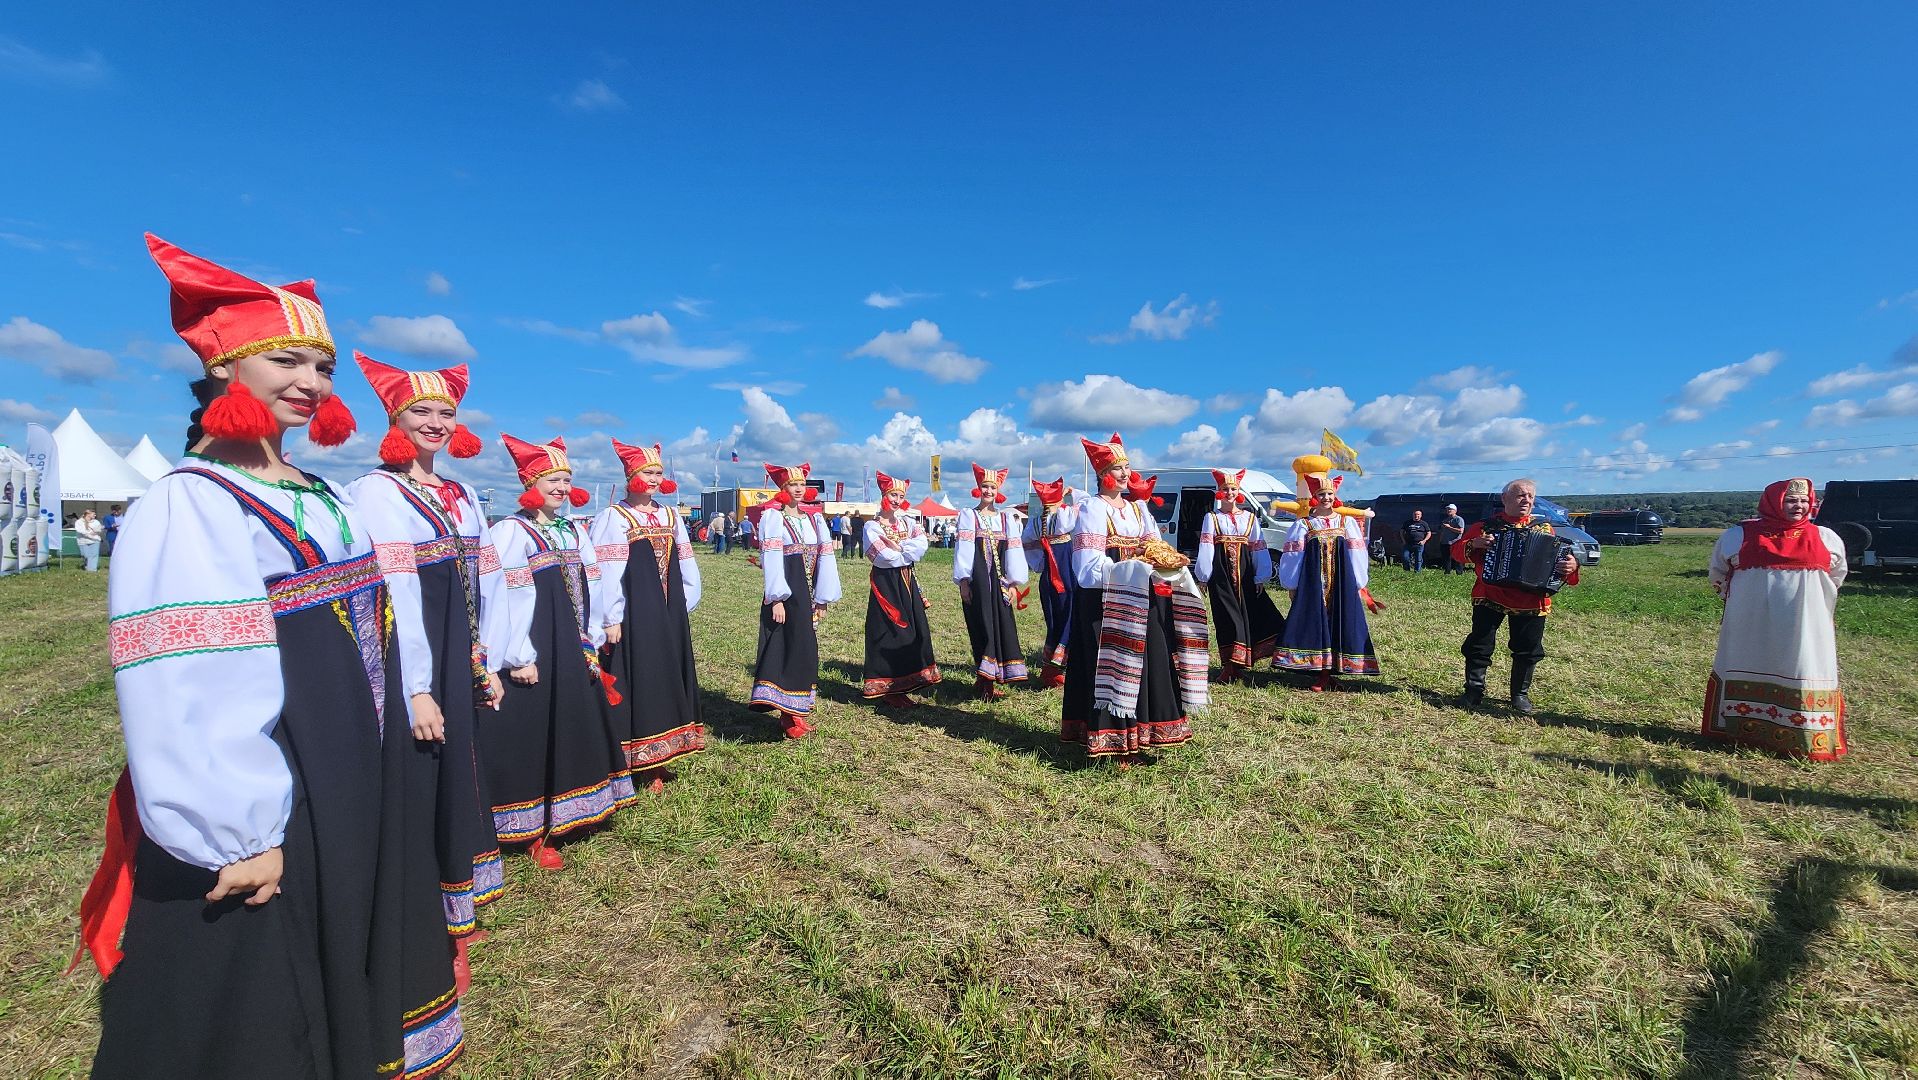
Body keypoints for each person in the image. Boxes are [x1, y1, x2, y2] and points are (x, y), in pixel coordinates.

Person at [82, 234, 460, 1077]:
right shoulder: (194, 504)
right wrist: (237, 828)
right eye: (285, 360)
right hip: (282, 779)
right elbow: (189, 680)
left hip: (352, 763)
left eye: (321, 367)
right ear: (226, 366)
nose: (310, 383)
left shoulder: (319, 492)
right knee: (260, 988)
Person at [345, 351, 504, 1002]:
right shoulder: (378, 494)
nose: (436, 422)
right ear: (394, 418)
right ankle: (428, 920)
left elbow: (485, 582)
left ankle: (457, 904)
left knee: (460, 771)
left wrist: (486, 659)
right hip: (413, 656)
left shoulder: (461, 495)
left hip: (455, 650)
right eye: (422, 411)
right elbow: (396, 597)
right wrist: (415, 686)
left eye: (446, 412)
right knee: (420, 779)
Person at [482, 434, 633, 871]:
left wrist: (595, 632)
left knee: (570, 720)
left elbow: (594, 583)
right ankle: (532, 829)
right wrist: (517, 655)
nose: (563, 488)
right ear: (531, 481)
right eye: (553, 480)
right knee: (535, 733)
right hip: (535, 646)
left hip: (569, 643)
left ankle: (574, 809)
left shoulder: (571, 530)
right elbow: (507, 597)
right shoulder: (512, 532)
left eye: (567, 479)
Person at [1061, 435, 1207, 767]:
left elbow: (1157, 548)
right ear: (1103, 474)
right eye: (1118, 468)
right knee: (1111, 668)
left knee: (1145, 665)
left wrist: (1167, 561)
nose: (1126, 474)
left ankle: (1140, 737)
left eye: (1127, 467)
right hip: (1105, 604)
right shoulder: (1092, 509)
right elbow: (1086, 569)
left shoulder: (1139, 509)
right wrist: (1131, 567)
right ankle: (1112, 742)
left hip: (1143, 598)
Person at [590, 439, 706, 793]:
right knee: (640, 675)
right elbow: (606, 571)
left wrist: (685, 599)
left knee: (667, 671)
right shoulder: (615, 517)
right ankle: (636, 757)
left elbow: (684, 559)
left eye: (658, 472)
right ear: (631, 475)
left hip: (667, 609)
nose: (654, 478)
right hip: (634, 612)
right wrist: (611, 616)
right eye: (647, 472)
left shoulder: (670, 515)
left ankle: (665, 749)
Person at [1703, 478, 1849, 760]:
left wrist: (1815, 603)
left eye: (1805, 501)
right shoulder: (1738, 536)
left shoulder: (1825, 538)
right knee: (1746, 660)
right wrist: (1740, 604)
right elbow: (1718, 573)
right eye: (1791, 500)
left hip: (1805, 623)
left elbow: (1836, 575)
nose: (1799, 506)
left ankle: (1805, 737)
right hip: (1750, 621)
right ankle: (1739, 731)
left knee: (1804, 665)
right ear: (1773, 502)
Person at [1452, 477, 1580, 714]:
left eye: (1531, 496)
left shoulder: (1545, 528)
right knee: (1479, 644)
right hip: (1490, 594)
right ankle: (1473, 691)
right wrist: (1476, 544)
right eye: (1521, 495)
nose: (1527, 500)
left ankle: (1519, 695)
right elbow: (1458, 552)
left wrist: (1571, 565)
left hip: (1532, 599)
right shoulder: (1485, 526)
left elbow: (1561, 561)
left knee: (1528, 648)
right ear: (1505, 499)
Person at [1273, 455, 1381, 691]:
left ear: (1335, 496)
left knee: (1338, 621)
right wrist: (1292, 584)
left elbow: (1357, 551)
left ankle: (1334, 670)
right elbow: (1294, 555)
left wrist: (1359, 581)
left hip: (1341, 582)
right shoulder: (1305, 524)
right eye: (1322, 494)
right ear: (1315, 497)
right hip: (1313, 583)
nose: (1326, 498)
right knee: (1316, 622)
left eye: (1330, 494)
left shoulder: (1346, 522)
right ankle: (1320, 672)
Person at [749, 462, 842, 738]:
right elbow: (772, 559)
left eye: (803, 484)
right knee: (786, 645)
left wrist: (823, 598)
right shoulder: (773, 518)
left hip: (809, 593)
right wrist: (776, 598)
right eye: (793, 484)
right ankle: (786, 714)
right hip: (788, 593)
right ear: (783, 488)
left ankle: (797, 711)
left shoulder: (814, 520)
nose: (799, 489)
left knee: (806, 648)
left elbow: (826, 558)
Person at [1195, 469, 1284, 682]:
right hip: (1221, 574)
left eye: (1233, 489)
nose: (1229, 493)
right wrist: (1203, 576)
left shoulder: (1250, 518)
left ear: (1239, 491)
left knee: (1247, 615)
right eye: (1225, 489)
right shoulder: (1212, 518)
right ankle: (1229, 664)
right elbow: (1206, 547)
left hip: (1245, 573)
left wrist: (1260, 576)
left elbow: (1258, 548)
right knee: (1226, 616)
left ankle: (1240, 663)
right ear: (1219, 492)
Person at [860, 471, 939, 706]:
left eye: (900, 495)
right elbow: (882, 556)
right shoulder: (872, 526)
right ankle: (889, 686)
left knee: (914, 628)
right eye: (892, 494)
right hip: (886, 584)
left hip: (907, 580)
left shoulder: (908, 522)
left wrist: (899, 546)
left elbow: (921, 546)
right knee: (889, 629)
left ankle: (908, 680)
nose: (896, 499)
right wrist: (904, 551)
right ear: (884, 494)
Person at [954, 464, 1029, 698]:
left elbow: (1014, 553)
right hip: (978, 580)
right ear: (978, 488)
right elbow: (963, 550)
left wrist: (1015, 584)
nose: (988, 491)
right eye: (985, 486)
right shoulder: (969, 516)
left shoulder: (1007, 520)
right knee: (981, 623)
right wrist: (964, 581)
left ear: (998, 491)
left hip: (1000, 583)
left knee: (1001, 625)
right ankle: (984, 679)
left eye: (992, 487)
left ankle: (993, 677)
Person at [1022, 478, 1077, 688]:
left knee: (1053, 619)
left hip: (1048, 577)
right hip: (1067, 574)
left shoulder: (1036, 523)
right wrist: (1069, 494)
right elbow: (1086, 506)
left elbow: (1025, 544)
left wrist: (1038, 563)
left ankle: (1051, 669)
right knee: (1069, 616)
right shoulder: (1065, 516)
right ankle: (1060, 665)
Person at [1438, 503, 1466, 574]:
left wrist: (1449, 527)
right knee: (1446, 559)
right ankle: (1447, 572)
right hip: (1445, 542)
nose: (1448, 510)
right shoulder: (1445, 520)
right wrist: (1440, 540)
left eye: (1450, 509)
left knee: (1457, 558)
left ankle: (1459, 573)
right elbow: (1442, 531)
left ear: (1455, 511)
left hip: (1455, 542)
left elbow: (1460, 531)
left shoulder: (1458, 519)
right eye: (1447, 509)